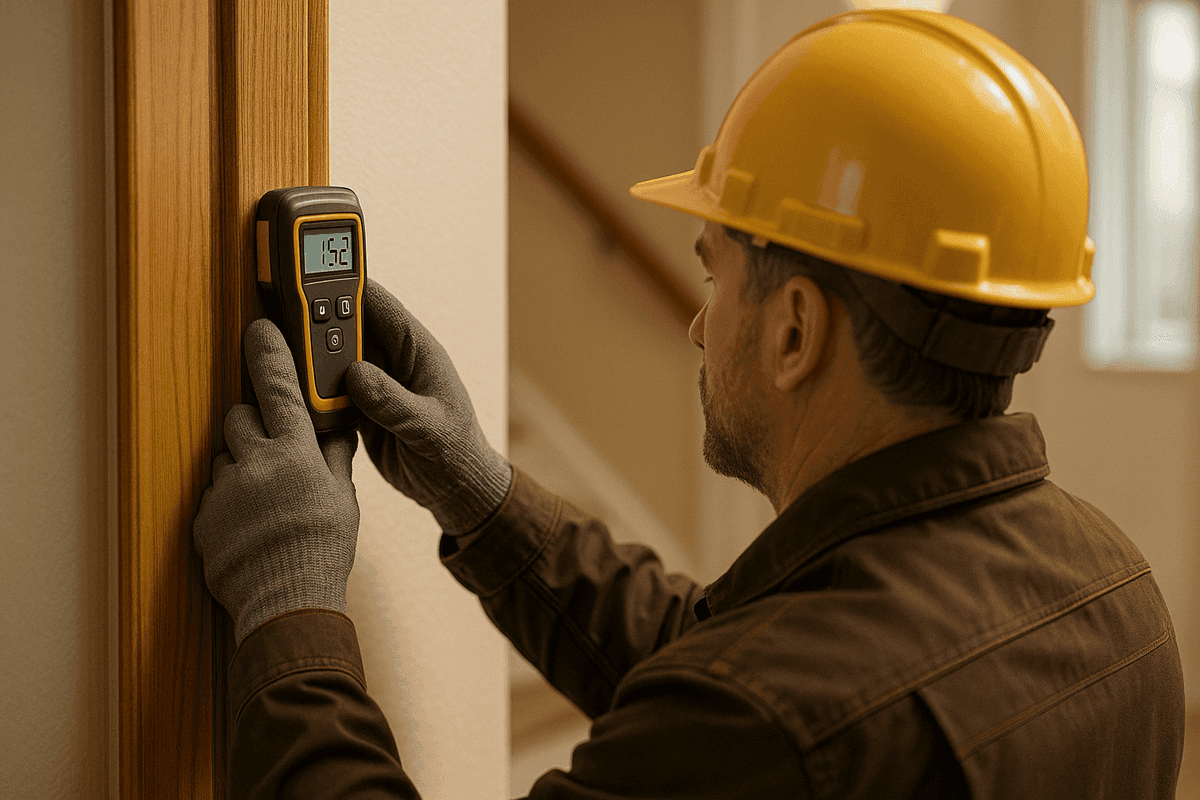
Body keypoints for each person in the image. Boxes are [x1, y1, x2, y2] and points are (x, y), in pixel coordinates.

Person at [193, 9, 1186, 799]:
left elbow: (754, 707)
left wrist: (291, 603)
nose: (700, 326)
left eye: (714, 275)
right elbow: (725, 664)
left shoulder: (769, 721)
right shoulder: (1115, 590)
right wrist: (484, 494)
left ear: (797, 329)